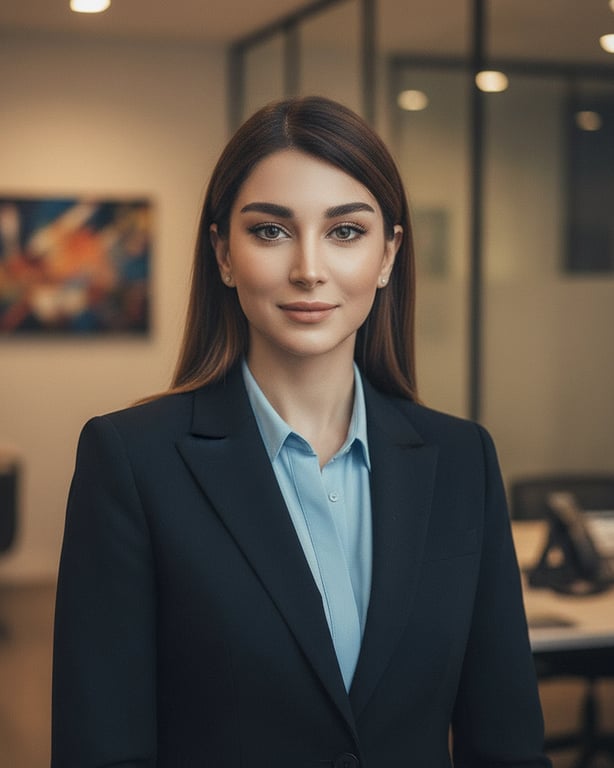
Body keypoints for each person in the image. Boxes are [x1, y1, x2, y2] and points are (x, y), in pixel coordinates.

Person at [52, 96, 550, 768]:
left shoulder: (464, 461)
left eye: (345, 231)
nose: (309, 268)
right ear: (223, 254)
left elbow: (507, 744)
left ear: (388, 255)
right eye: (271, 231)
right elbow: (101, 749)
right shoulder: (132, 461)